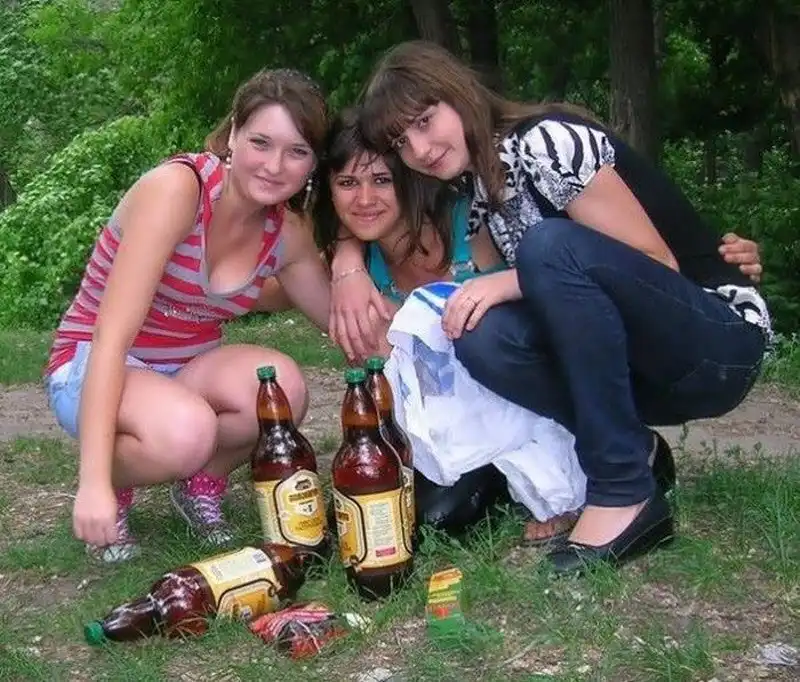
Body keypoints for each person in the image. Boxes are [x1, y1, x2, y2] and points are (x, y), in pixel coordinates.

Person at [346, 40, 772, 574]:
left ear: (458, 94)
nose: (420, 148)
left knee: (547, 246)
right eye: (402, 142)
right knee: (482, 335)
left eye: (426, 121)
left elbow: (655, 263)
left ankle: (623, 492)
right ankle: (629, 450)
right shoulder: (480, 201)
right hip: (638, 370)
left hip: (715, 345)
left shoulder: (548, 140)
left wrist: (517, 278)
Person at [263, 107, 765, 545]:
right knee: (432, 519)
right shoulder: (346, 272)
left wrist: (711, 265)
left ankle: (601, 464)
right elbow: (260, 278)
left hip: (532, 399)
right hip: (454, 429)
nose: (364, 199)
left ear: (409, 180)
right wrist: (345, 260)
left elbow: (594, 258)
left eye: (382, 180)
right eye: (347, 184)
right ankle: (532, 475)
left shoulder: (474, 220)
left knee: (488, 343)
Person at [43, 68, 332, 563]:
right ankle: (113, 479)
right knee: (188, 431)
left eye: (297, 151)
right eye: (261, 142)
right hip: (92, 361)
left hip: (184, 370)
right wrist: (93, 482)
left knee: (281, 390)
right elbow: (112, 336)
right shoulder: (179, 190)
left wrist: (351, 264)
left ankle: (200, 485)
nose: (274, 165)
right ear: (233, 134)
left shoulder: (288, 233)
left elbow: (340, 319)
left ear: (313, 164)